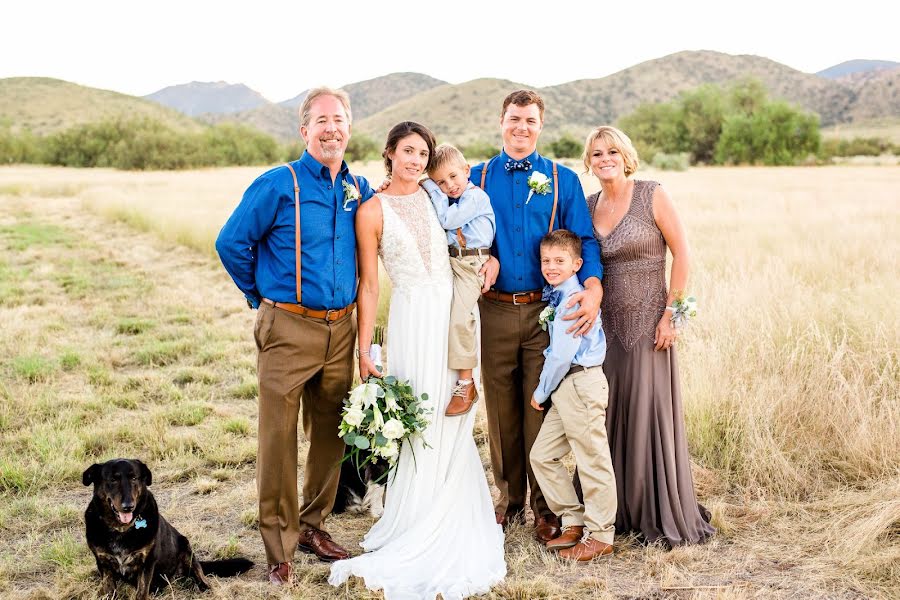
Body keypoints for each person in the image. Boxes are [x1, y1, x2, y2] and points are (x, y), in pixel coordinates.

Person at [328, 122, 506, 599]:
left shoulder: (435, 196)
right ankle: (416, 513)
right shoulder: (371, 209)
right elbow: (369, 285)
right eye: (407, 151)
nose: (416, 160)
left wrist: (491, 260)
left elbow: (472, 236)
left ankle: (452, 505)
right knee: (422, 414)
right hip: (412, 320)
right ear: (389, 153)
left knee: (455, 411)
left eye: (422, 153)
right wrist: (365, 350)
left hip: (452, 315)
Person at [215, 87, 374, 585]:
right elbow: (231, 241)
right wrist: (259, 297)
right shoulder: (278, 184)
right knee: (278, 439)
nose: (332, 128)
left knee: (330, 434)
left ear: (349, 128)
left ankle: (312, 525)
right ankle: (279, 547)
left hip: (341, 328)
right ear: (304, 130)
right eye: (322, 120)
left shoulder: (359, 187)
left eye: (340, 119)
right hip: (287, 326)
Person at [471, 89, 603, 543]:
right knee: (500, 412)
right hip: (493, 311)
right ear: (501, 121)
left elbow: (584, 241)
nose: (521, 127)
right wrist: (480, 257)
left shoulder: (562, 179)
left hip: (548, 315)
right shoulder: (476, 176)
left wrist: (594, 288)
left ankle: (546, 509)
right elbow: (452, 228)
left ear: (540, 126)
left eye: (530, 120)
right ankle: (507, 501)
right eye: (514, 119)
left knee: (539, 410)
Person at [583, 125, 715, 546]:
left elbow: (683, 252)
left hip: (648, 323)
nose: (605, 159)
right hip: (604, 328)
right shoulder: (588, 206)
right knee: (606, 411)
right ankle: (612, 508)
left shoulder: (651, 194)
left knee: (647, 409)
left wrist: (672, 314)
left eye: (612, 152)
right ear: (589, 161)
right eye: (597, 153)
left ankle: (654, 507)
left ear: (626, 156)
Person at [529, 229, 616, 561]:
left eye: (559, 261)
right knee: (542, 455)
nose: (551, 267)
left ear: (577, 263)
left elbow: (561, 356)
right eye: (546, 261)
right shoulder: (557, 294)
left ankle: (600, 534)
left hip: (580, 383)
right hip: (567, 389)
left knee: (592, 459)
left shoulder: (573, 299)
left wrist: (540, 392)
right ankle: (573, 519)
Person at [421, 143, 496, 416]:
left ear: (467, 170)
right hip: (453, 261)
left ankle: (466, 382)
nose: (449, 186)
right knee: (442, 315)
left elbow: (447, 219)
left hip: (472, 264)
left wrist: (429, 187)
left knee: (461, 318)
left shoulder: (475, 197)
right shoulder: (455, 196)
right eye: (440, 182)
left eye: (453, 176)